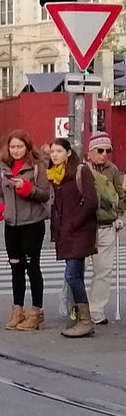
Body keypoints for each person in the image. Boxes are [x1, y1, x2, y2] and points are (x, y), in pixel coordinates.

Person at [0, 130, 52, 331]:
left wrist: (28, 188)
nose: (16, 151)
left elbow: (45, 195)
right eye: (12, 147)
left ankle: (36, 312)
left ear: (27, 147)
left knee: (32, 267)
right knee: (15, 268)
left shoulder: (37, 166)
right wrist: (0, 207)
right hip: (12, 225)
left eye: (19, 147)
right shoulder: (2, 168)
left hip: (32, 224)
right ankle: (18, 310)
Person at [46, 137, 98, 338]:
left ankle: (85, 321)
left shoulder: (80, 171)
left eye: (59, 151)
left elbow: (91, 201)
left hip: (80, 231)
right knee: (76, 275)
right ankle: (80, 317)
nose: (55, 155)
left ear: (68, 153)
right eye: (52, 152)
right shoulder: (56, 176)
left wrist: (74, 223)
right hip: (66, 233)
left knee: (72, 276)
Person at [84, 132, 125, 326]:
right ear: (90, 151)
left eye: (108, 150)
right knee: (75, 271)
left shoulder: (113, 170)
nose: (104, 154)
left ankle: (96, 311)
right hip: (84, 227)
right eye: (100, 150)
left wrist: (119, 215)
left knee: (103, 270)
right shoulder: (82, 169)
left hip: (106, 226)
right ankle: (76, 308)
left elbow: (121, 194)